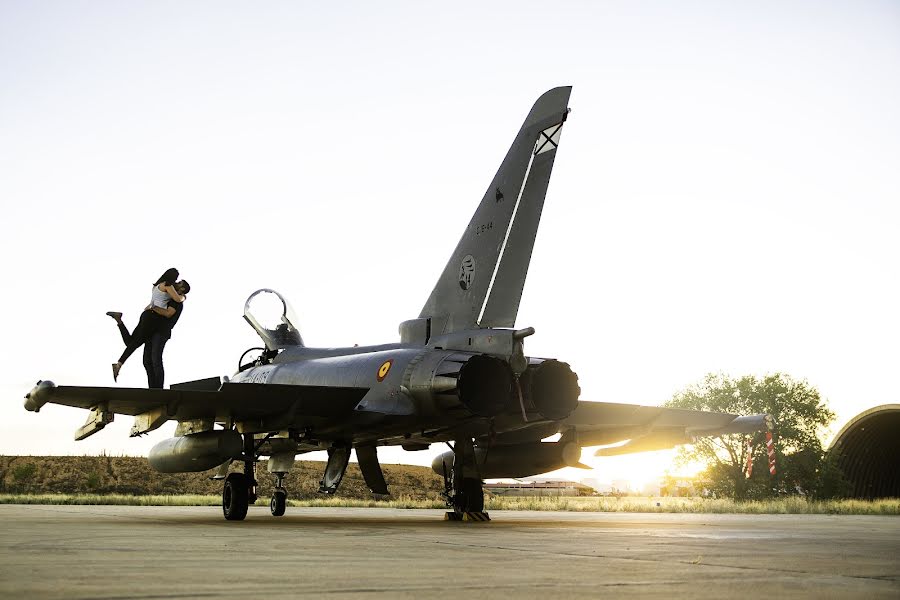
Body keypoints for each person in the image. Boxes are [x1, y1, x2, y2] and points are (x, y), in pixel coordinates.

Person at [108, 269, 187, 384]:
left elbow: (155, 305)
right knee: (140, 346)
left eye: (179, 282)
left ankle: (119, 321)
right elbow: (175, 301)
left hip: (148, 316)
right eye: (177, 279)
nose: (176, 282)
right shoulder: (169, 287)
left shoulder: (157, 286)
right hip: (153, 319)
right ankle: (119, 364)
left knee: (132, 343)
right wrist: (183, 297)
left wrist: (151, 308)